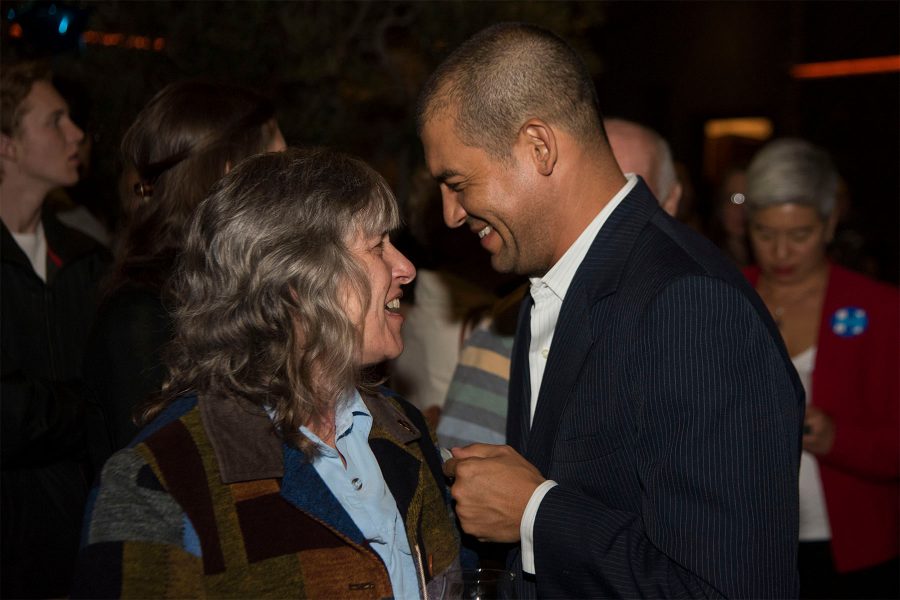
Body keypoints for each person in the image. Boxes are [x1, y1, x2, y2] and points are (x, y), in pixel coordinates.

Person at [417, 23, 803, 597]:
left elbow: (732, 588)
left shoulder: (690, 304)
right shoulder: (548, 284)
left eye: (457, 181)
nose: (450, 214)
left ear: (538, 146)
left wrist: (534, 515)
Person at [72, 148, 460, 598]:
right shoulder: (159, 480)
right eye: (377, 246)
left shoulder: (404, 434)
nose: (406, 268)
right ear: (295, 284)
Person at [437, 116, 683, 449]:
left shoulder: (693, 314)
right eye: (598, 191)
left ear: (670, 201)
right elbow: (463, 474)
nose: (607, 216)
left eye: (625, 194)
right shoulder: (506, 329)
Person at [83, 80, 286, 455]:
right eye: (276, 166)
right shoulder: (142, 315)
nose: (290, 187)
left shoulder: (242, 288)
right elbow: (162, 471)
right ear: (231, 173)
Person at [742, 138, 899, 598]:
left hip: (854, 548)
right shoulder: (728, 295)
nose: (781, 252)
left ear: (830, 224)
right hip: (751, 541)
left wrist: (836, 439)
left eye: (800, 234)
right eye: (765, 233)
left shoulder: (878, 307)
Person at [0, 60, 109, 598]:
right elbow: (8, 416)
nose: (77, 134)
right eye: (55, 121)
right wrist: (88, 405)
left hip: (77, 543)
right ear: (7, 145)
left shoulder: (85, 259)